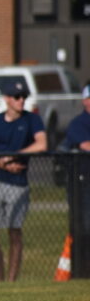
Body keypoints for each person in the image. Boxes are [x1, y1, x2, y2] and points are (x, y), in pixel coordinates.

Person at [0, 80, 46, 282]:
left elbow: (41, 144)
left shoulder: (32, 119)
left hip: (18, 183)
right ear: (7, 99)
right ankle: (0, 279)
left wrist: (15, 154)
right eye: (17, 97)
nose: (21, 100)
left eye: (24, 97)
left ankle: (11, 280)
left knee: (14, 232)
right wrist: (4, 164)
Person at [64, 83, 90, 264]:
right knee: (84, 225)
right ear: (85, 101)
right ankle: (83, 266)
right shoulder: (78, 123)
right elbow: (85, 145)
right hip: (83, 183)